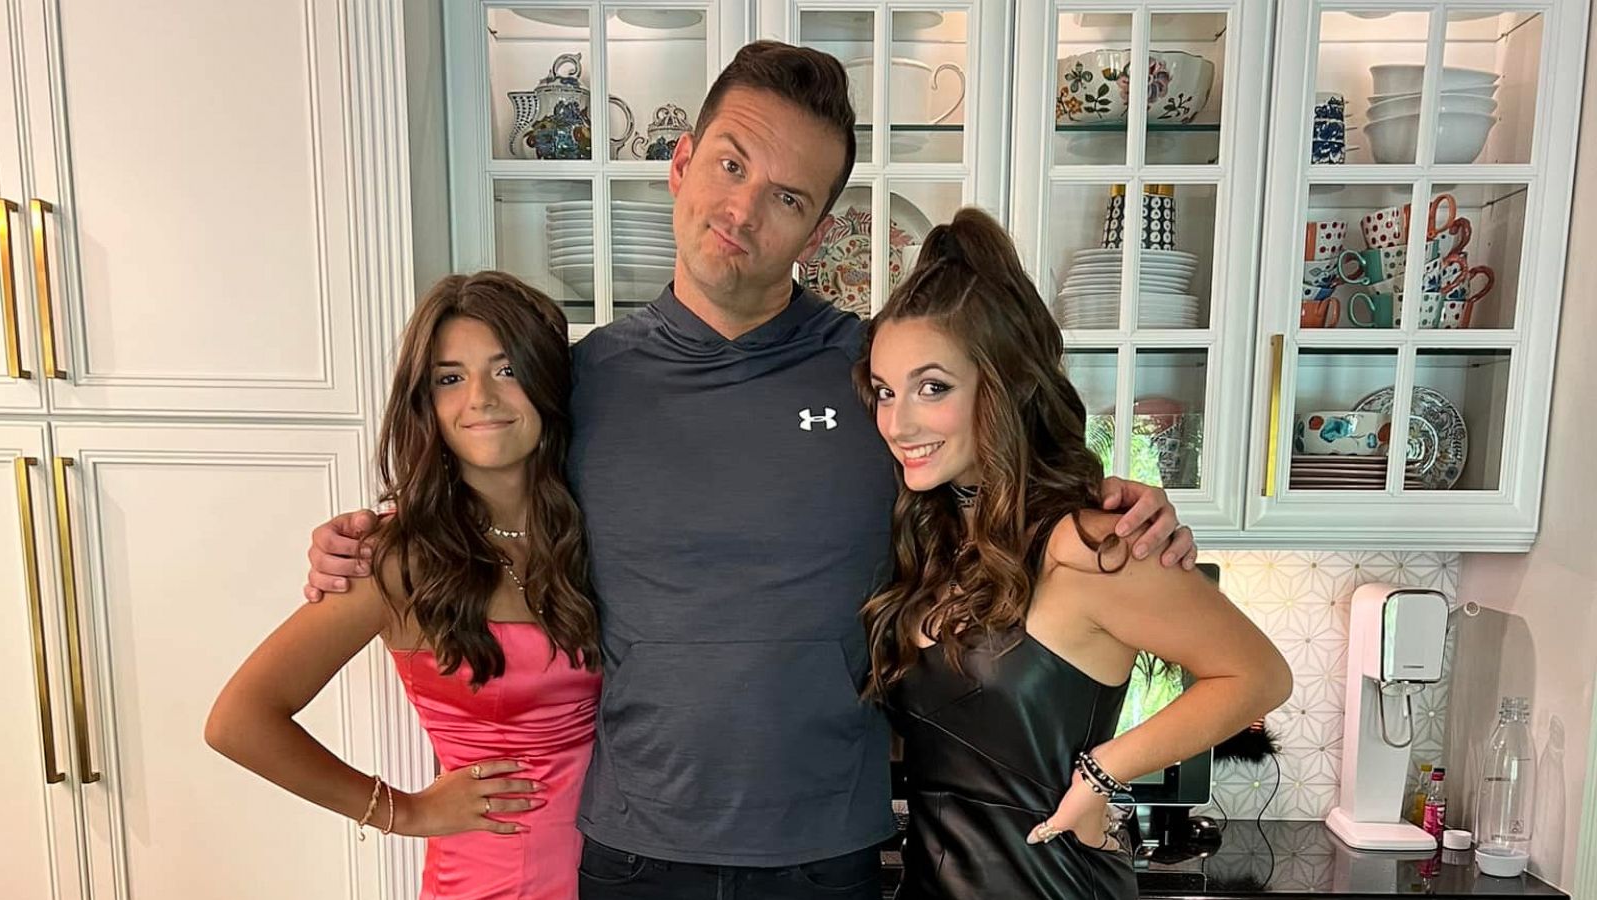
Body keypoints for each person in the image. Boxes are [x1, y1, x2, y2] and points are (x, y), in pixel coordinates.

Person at [303, 42, 1197, 900]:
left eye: (786, 196)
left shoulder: (877, 384)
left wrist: (1115, 504)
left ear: (819, 226)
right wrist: (362, 545)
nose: (741, 210)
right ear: (682, 162)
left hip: (829, 854)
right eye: (730, 167)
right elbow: (473, 500)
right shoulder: (578, 385)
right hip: (628, 852)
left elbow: (999, 502)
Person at [858, 207, 1292, 899]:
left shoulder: (1085, 548)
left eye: (932, 387)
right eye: (885, 391)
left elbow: (1259, 674)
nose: (897, 421)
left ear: (1000, 388)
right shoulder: (929, 548)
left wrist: (1104, 774)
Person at [207, 272, 602, 900]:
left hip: (623, 866)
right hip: (492, 879)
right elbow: (238, 721)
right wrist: (402, 811)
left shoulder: (597, 533)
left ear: (546, 383)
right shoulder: (395, 559)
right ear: (427, 405)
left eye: (505, 370)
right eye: (450, 377)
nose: (480, 398)